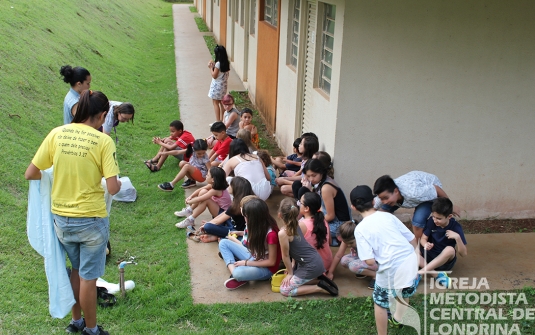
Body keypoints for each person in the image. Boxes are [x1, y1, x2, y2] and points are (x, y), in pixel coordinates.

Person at [25, 89, 121, 335]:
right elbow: (112, 187)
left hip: (62, 222)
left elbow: (31, 173)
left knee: (76, 270)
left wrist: (52, 178)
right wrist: (117, 183)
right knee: (89, 278)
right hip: (92, 222)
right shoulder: (103, 141)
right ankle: (91, 329)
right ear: (102, 115)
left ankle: (76, 321)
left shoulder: (57, 133)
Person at [350, 185, 419, 334]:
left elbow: (369, 261)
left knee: (380, 303)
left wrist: (379, 268)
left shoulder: (360, 229)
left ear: (353, 207)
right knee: (404, 292)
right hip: (409, 263)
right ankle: (398, 318)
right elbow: (413, 240)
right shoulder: (389, 216)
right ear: (374, 201)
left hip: (388, 268)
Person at [373, 171, 460, 240]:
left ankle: (420, 249)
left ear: (396, 191)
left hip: (429, 191)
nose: (383, 201)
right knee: (381, 214)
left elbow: (436, 189)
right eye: (381, 199)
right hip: (412, 189)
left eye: (385, 198)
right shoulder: (384, 196)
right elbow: (370, 210)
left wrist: (450, 206)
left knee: (418, 222)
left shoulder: (414, 193)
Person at [278, 198, 338, 297]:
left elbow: (285, 256)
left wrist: (290, 273)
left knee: (284, 289)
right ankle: (319, 280)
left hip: (310, 266)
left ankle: (319, 287)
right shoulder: (297, 224)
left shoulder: (283, 233)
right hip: (316, 260)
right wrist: (292, 268)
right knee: (290, 281)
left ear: (279, 215)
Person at [218, 197, 282, 290]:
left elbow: (271, 262)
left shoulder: (271, 234)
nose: (244, 218)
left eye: (245, 216)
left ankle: (237, 275)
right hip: (254, 256)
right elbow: (250, 240)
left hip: (265, 268)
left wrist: (247, 263)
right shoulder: (256, 224)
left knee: (238, 273)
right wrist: (240, 233)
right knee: (223, 243)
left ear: (253, 218)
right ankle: (238, 274)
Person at [301, 156, 351, 246]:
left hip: (339, 224)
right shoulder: (323, 181)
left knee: (308, 231)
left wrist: (314, 222)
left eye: (314, 175)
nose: (311, 179)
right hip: (333, 219)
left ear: (321, 172)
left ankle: (337, 239)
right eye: (308, 176)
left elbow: (331, 216)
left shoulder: (326, 188)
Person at [418, 197, 467, 288]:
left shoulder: (456, 227)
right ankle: (436, 275)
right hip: (429, 257)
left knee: (450, 250)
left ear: (449, 216)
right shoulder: (432, 221)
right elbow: (423, 239)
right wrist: (426, 244)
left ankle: (419, 273)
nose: (435, 220)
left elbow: (463, 253)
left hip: (443, 262)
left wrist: (458, 238)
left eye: (439, 218)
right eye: (433, 217)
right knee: (414, 249)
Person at [327, 221, 378, 290]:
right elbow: (338, 255)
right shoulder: (348, 239)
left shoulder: (365, 241)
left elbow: (373, 259)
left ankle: (376, 276)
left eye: (350, 243)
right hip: (364, 260)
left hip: (376, 262)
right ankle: (364, 271)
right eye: (346, 243)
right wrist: (330, 272)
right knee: (344, 261)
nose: (348, 245)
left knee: (353, 266)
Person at [298, 191, 333, 271]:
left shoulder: (302, 225)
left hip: (314, 268)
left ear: (306, 208)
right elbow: (329, 242)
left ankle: (318, 282)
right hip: (327, 262)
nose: (299, 205)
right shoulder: (323, 220)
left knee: (288, 283)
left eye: (300, 203)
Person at [208, 45, 230, 122]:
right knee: (222, 103)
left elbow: (214, 75)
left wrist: (211, 68)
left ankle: (218, 121)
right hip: (223, 86)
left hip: (216, 86)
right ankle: (223, 120)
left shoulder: (218, 64)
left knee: (215, 103)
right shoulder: (226, 63)